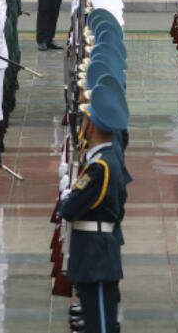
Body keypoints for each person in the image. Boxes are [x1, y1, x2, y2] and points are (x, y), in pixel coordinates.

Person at [58, 80, 129, 333]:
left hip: (95, 255)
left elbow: (69, 209)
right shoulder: (102, 160)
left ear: (94, 125)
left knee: (99, 325)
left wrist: (67, 195)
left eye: (87, 119)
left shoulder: (100, 168)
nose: (83, 125)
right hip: (95, 252)